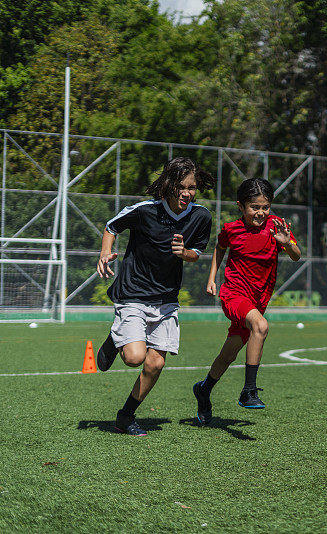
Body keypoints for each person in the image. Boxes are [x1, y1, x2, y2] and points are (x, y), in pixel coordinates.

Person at [95, 157, 214, 436]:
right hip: (133, 293)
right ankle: (115, 339)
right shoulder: (145, 211)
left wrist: (184, 254)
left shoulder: (201, 217)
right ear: (169, 185)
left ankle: (126, 416)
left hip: (166, 299)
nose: (187, 193)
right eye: (182, 187)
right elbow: (111, 227)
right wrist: (104, 252)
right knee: (135, 357)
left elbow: (197, 253)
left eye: (192, 187)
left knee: (156, 363)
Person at [192, 178, 302, 425]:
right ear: (241, 206)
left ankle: (204, 388)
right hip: (234, 293)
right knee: (260, 326)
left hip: (258, 299)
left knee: (228, 354)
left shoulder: (277, 226)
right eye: (255, 207)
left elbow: (297, 255)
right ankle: (248, 391)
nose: (261, 213)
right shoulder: (232, 229)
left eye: (265, 207)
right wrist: (212, 278)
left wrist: (287, 244)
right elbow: (220, 248)